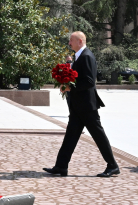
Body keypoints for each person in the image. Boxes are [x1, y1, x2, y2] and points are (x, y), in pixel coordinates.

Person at [44, 31, 120, 178]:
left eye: (71, 40)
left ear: (79, 41)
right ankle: (61, 166)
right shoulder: (78, 56)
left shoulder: (87, 56)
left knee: (98, 136)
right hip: (78, 106)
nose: (69, 43)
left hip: (86, 106)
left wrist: (70, 87)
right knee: (70, 136)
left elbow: (90, 82)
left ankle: (113, 165)